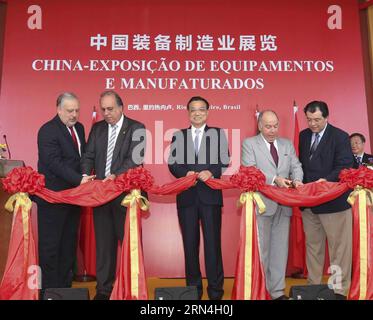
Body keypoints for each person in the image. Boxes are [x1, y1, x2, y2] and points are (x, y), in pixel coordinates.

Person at [81, 90, 146, 300]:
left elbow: (135, 160)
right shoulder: (98, 128)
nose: (106, 113)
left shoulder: (137, 128)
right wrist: (84, 174)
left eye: (110, 109)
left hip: (124, 195)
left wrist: (114, 176)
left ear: (120, 107)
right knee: (104, 245)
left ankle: (130, 288)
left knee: (128, 244)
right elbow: (88, 155)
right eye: (103, 109)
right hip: (101, 194)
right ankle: (104, 290)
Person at [168, 96, 230, 300]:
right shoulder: (179, 135)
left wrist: (210, 172)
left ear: (207, 112)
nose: (197, 113)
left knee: (213, 245)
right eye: (193, 110)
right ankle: (192, 292)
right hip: (187, 197)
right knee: (190, 245)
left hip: (210, 196)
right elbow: (173, 163)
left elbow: (224, 159)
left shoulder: (218, 134)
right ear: (188, 113)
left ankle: (215, 292)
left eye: (201, 109)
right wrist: (184, 173)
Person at [241, 110, 303, 300]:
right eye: (268, 126)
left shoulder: (286, 144)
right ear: (260, 126)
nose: (272, 130)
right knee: (262, 251)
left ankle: (277, 292)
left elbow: (296, 166)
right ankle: (260, 291)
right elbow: (249, 170)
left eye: (275, 125)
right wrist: (275, 179)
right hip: (262, 205)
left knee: (280, 251)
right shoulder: (249, 144)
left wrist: (298, 181)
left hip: (284, 205)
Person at [36, 92, 93, 295]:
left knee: (68, 248)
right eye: (70, 111)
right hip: (52, 199)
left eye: (77, 110)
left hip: (74, 199)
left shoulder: (79, 128)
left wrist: (86, 175)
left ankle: (65, 292)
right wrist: (79, 179)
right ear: (58, 109)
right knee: (51, 249)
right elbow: (54, 163)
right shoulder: (47, 130)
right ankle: (49, 293)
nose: (74, 114)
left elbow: (83, 157)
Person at [299, 100, 354, 300]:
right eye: (309, 119)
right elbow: (303, 166)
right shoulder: (303, 136)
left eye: (317, 119)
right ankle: (313, 286)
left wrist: (326, 181)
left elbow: (346, 166)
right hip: (309, 204)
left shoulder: (339, 137)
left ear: (326, 117)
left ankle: (339, 290)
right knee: (313, 248)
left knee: (339, 249)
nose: (312, 124)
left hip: (334, 203)